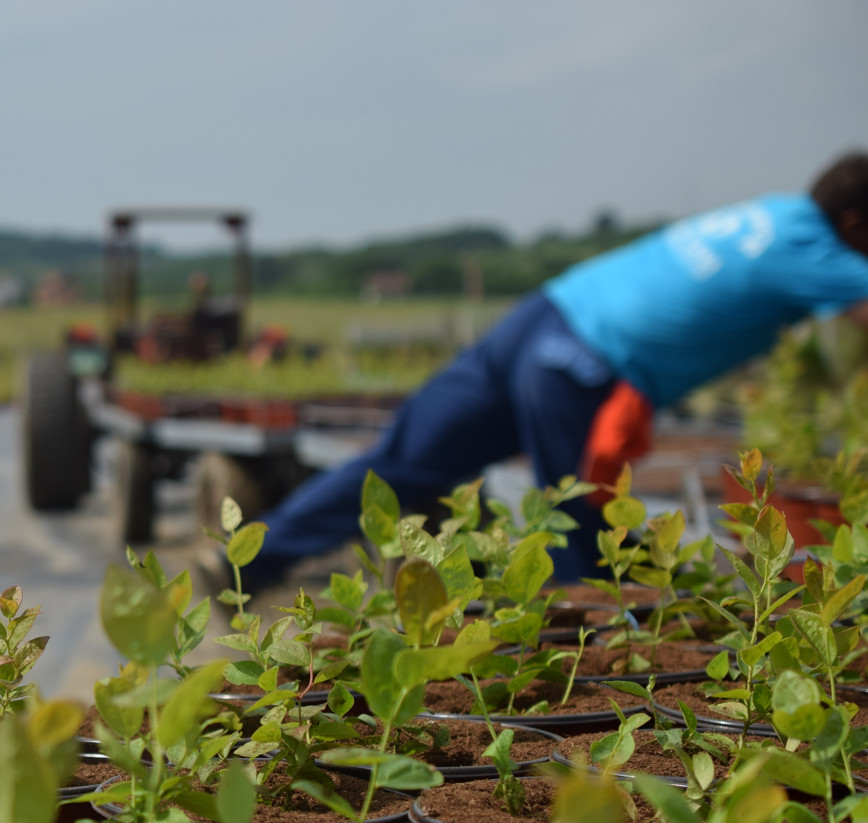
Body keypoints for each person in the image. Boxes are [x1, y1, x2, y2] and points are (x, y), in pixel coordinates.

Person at [238, 151, 868, 589]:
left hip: (538, 318)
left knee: (402, 462)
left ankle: (252, 562)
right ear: (854, 223)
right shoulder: (819, 251)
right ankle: (589, 694)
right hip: (582, 368)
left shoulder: (779, 213)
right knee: (582, 534)